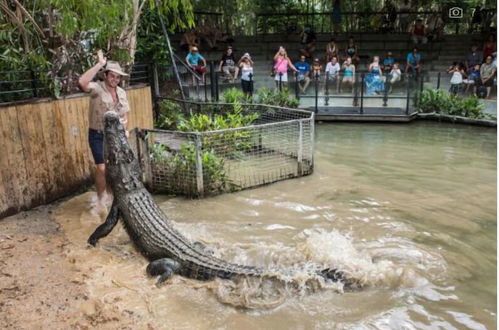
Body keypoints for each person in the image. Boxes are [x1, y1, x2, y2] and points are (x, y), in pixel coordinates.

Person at [78, 50, 130, 214]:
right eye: (112, 76)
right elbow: (82, 82)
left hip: (115, 136)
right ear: (106, 75)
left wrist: (125, 128)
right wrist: (99, 64)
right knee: (101, 168)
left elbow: (125, 113)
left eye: (118, 76)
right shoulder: (97, 89)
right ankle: (101, 199)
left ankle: (112, 195)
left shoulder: (121, 92)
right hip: (98, 135)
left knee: (114, 167)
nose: (115, 79)